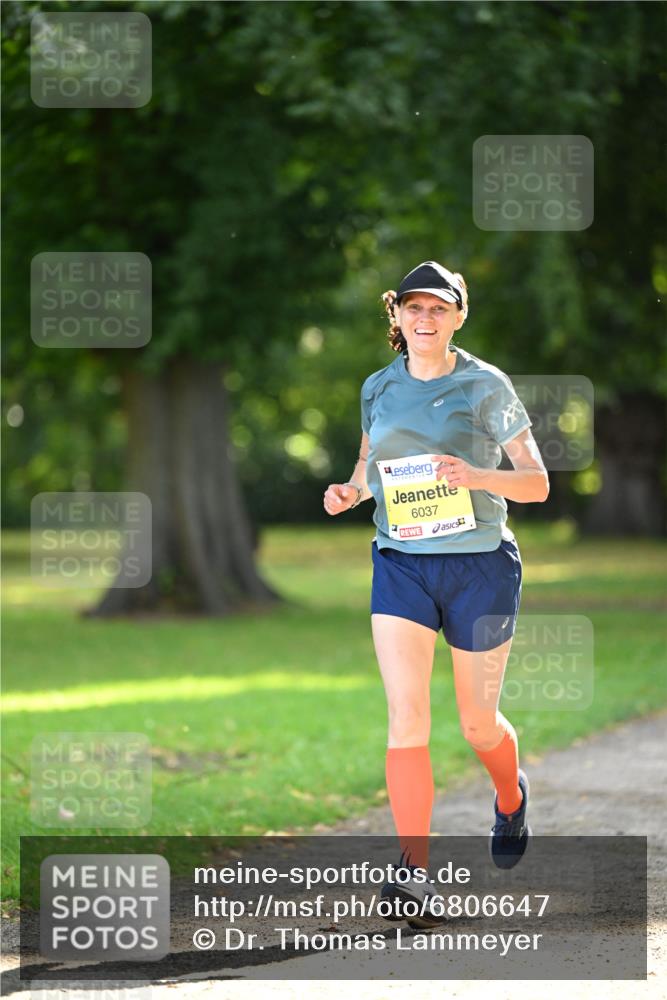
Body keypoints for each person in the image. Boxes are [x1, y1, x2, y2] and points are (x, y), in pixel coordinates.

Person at [323, 261, 549, 929]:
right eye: (414, 307)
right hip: (401, 565)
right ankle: (413, 874)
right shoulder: (377, 386)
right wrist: (350, 491)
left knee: (477, 723)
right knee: (406, 718)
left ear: (457, 316)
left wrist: (476, 475)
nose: (425, 318)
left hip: (480, 567)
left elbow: (536, 483)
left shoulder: (485, 385)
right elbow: (370, 466)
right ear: (396, 314)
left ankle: (509, 797)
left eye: (439, 308)